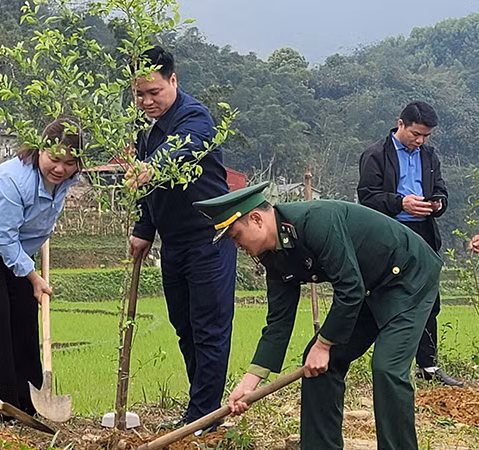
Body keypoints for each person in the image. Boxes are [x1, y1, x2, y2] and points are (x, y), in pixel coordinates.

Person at [194, 182, 442, 450]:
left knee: (387, 368)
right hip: (368, 287)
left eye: (235, 235)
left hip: (407, 276)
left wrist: (324, 344)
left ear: (256, 219)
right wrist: (250, 382)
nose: (236, 244)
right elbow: (278, 322)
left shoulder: (316, 221)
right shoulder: (273, 256)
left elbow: (349, 287)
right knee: (318, 364)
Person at [124, 45, 236, 427]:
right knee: (184, 325)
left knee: (209, 326)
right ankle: (201, 406)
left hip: (209, 239)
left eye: (154, 92)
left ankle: (204, 414)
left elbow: (180, 151)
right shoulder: (144, 126)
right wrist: (143, 230)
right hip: (173, 242)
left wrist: (151, 169)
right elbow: (148, 190)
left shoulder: (195, 117)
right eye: (139, 94)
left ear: (173, 80)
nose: (147, 101)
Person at [0, 118, 83, 419]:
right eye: (54, 158)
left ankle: (30, 402)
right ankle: (3, 412)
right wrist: (33, 275)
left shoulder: (67, 180)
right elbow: (1, 236)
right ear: (39, 150)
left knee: (24, 315)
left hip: (19, 246)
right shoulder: (15, 180)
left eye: (69, 162)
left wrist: (29, 266)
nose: (60, 169)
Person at [357, 101, 461, 387]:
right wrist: (400, 202)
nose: (420, 141)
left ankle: (428, 366)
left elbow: (440, 189)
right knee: (387, 296)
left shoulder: (429, 155)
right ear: (400, 124)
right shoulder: (376, 154)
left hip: (423, 233)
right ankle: (387, 363)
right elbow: (367, 198)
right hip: (389, 233)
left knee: (428, 298)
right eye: (416, 134)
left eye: (426, 136)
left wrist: (437, 204)